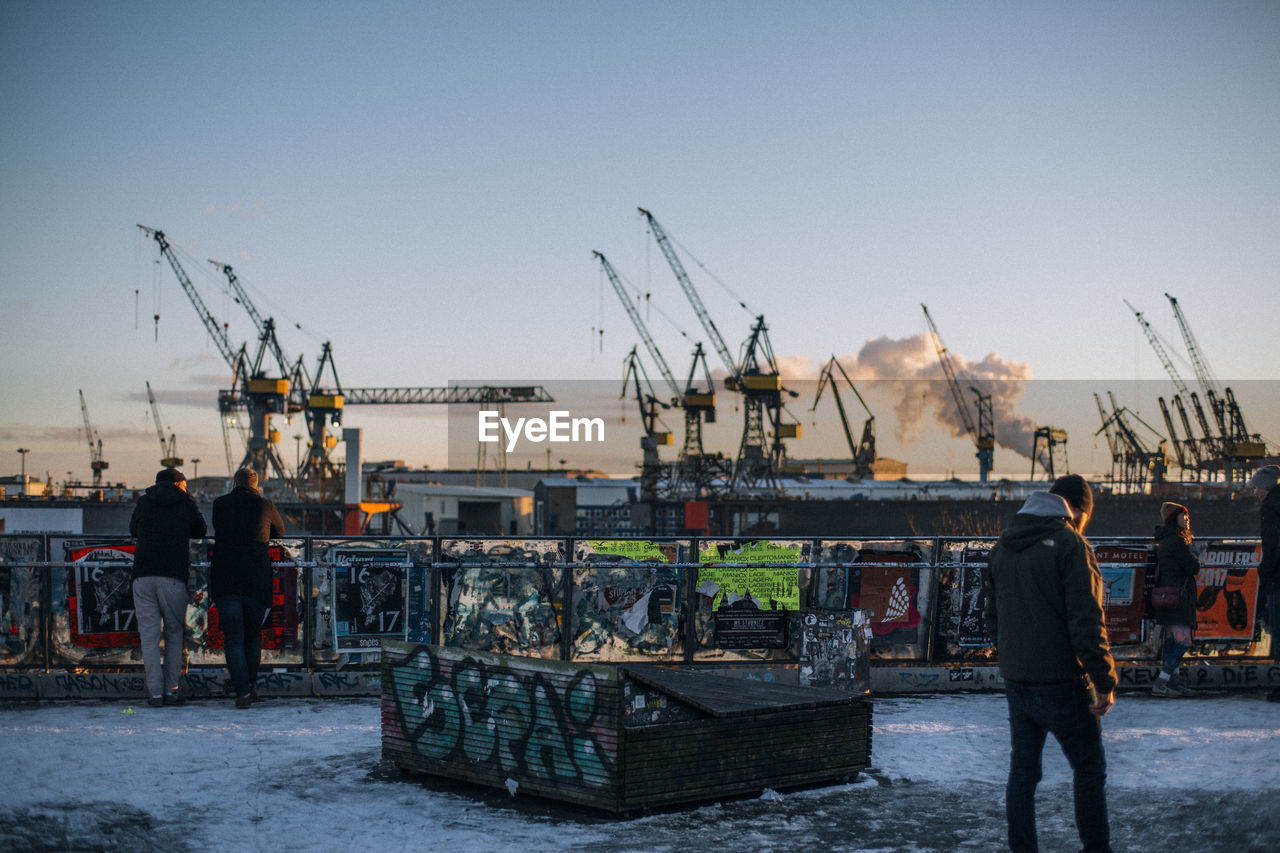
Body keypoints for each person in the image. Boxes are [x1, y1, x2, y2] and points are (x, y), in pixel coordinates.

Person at [983, 474, 1116, 853]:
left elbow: (993, 617)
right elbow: (1086, 620)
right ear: (1079, 510)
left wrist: (1012, 658)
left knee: (1022, 775)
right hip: (1062, 681)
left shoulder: (1002, 546)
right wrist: (1103, 680)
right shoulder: (1071, 545)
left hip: (1017, 680)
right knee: (1089, 770)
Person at [129, 467, 207, 707]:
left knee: (149, 636)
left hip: (142, 576)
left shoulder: (144, 501)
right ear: (179, 484)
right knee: (174, 633)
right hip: (173, 575)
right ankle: (171, 690)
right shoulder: (185, 502)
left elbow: (133, 530)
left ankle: (154, 693)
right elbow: (201, 530)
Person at [211, 468, 284, 709]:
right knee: (254, 636)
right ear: (256, 485)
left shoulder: (220, 504)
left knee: (233, 639)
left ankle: (241, 691)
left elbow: (217, 529)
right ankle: (251, 687)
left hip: (226, 578)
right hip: (256, 580)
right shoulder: (265, 504)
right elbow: (280, 531)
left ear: (234, 484)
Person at [1150, 502, 1199, 697]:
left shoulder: (1165, 540)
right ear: (1173, 519)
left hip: (1168, 596)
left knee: (1173, 640)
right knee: (1183, 642)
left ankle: (1174, 683)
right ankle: (1161, 683)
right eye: (1182, 516)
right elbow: (1193, 568)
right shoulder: (1177, 542)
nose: (1187, 519)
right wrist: (1196, 554)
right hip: (1178, 597)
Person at [1251, 465, 1280, 702]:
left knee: (1278, 630)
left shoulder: (1270, 507)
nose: (1255, 492)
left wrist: (1265, 570)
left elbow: (1271, 546)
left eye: (1257, 487)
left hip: (1277, 579)